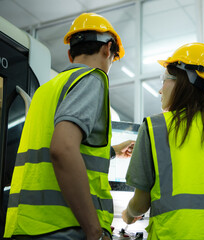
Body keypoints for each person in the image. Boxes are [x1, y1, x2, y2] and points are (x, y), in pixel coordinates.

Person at [4, 12, 134, 240]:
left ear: (69, 53)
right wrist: (94, 229)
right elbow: (63, 149)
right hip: (63, 227)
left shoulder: (46, 89)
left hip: (25, 225)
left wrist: (112, 152)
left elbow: (50, 148)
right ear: (108, 48)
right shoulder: (92, 79)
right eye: (114, 57)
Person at [121, 42, 204, 239]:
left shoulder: (155, 128)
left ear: (182, 81)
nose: (160, 89)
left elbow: (140, 203)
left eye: (164, 79)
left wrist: (127, 216)